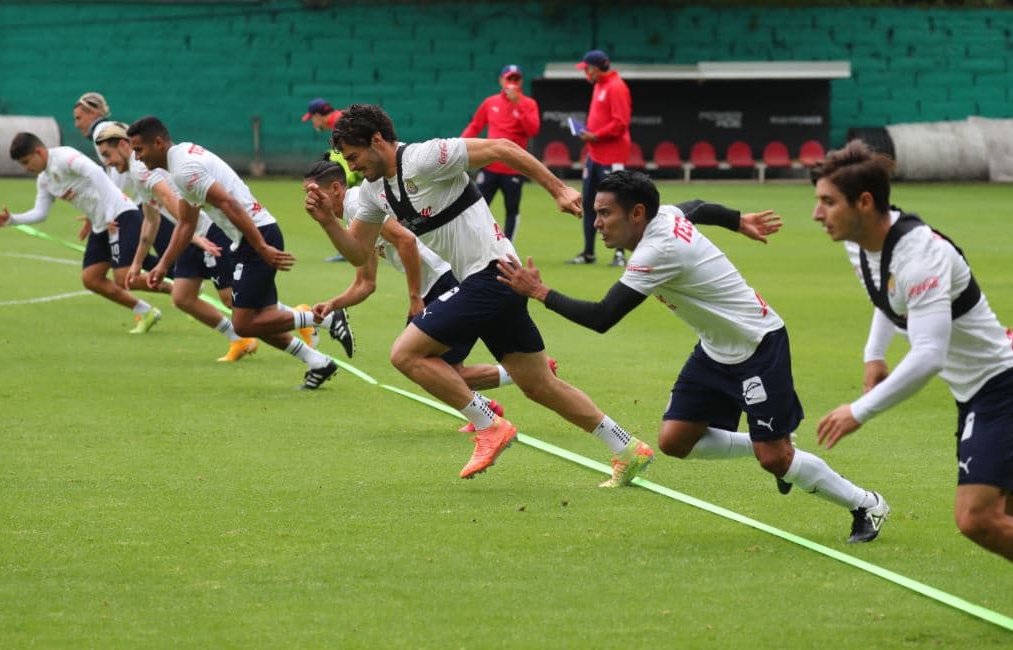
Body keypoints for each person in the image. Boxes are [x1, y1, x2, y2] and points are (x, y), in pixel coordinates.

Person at [811, 140, 1013, 639]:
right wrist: (874, 353)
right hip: (979, 390)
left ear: (864, 202)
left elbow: (929, 354)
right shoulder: (860, 243)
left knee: (975, 519)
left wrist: (859, 411)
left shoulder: (922, 256)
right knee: (1009, 517)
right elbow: (885, 296)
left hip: (1004, 386)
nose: (817, 213)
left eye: (827, 202)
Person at [498, 170, 890, 541]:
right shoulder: (663, 215)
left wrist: (539, 292)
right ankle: (767, 440)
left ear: (637, 214)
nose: (596, 223)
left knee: (775, 459)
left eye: (604, 213)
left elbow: (603, 317)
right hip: (715, 348)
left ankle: (866, 505)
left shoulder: (656, 250)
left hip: (758, 346)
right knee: (675, 440)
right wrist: (739, 221)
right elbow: (699, 207)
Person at [304, 104, 653, 486]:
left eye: (355, 158)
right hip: (498, 280)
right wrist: (326, 222)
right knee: (538, 385)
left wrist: (557, 188)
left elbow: (503, 147)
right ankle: (627, 448)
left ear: (377, 141)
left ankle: (489, 425)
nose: (353, 168)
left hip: (492, 273)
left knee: (405, 354)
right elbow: (358, 252)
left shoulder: (424, 158)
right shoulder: (372, 193)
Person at [302, 159, 558, 432]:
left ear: (337, 189)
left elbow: (406, 241)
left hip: (443, 279)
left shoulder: (357, 204)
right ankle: (494, 403)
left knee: (422, 363)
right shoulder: (356, 222)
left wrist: (414, 297)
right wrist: (333, 304)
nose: (309, 199)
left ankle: (502, 400)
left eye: (314, 191)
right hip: (434, 285)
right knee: (441, 368)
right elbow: (366, 283)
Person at [126, 116, 351, 389]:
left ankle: (325, 317)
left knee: (244, 323)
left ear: (158, 143)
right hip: (250, 238)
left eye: (139, 150)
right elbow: (186, 223)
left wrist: (261, 247)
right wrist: (163, 265)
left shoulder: (183, 169)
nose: (137, 158)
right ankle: (318, 362)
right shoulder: (179, 161)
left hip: (256, 235)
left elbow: (230, 204)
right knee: (258, 319)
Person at [94, 122, 258, 362]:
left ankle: (302, 317)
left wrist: (195, 237)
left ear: (123, 145)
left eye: (108, 155)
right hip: (191, 237)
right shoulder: (136, 172)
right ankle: (239, 339)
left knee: (231, 298)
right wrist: (138, 264)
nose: (107, 162)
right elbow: (151, 220)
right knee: (183, 297)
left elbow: (169, 197)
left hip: (206, 232)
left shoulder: (139, 169)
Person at [0, 132, 170, 333]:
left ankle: (180, 288)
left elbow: (96, 172)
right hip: (100, 225)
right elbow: (40, 213)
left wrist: (111, 212)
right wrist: (13, 219)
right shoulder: (44, 180)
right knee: (91, 279)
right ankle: (146, 311)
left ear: (39, 152)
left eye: (26, 161)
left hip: (121, 214)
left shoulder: (65, 157)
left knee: (123, 278)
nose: (26, 168)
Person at [460, 64, 541, 242]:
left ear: (520, 82)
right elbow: (476, 125)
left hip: (513, 169)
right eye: (509, 78)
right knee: (477, 206)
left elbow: (533, 130)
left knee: (511, 208)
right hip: (489, 166)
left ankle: (508, 248)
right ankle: (478, 242)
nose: (512, 83)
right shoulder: (491, 102)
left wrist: (518, 104)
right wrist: (460, 145)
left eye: (516, 79)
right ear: (501, 80)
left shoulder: (528, 104)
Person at [570, 49, 632, 267]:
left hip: (612, 155)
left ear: (595, 68)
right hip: (594, 155)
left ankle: (620, 254)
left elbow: (620, 123)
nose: (585, 73)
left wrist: (595, 135)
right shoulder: (599, 85)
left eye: (586, 68)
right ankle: (588, 253)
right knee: (588, 203)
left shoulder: (616, 87)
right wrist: (588, 133)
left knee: (616, 205)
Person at [303, 99, 360, 261]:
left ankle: (352, 243)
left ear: (317, 116)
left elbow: (347, 169)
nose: (313, 123)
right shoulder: (341, 119)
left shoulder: (339, 124)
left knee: (346, 200)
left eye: (311, 119)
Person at [71, 91, 122, 163]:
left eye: (79, 118)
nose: (76, 125)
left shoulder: (100, 132)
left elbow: (117, 167)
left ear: (93, 113)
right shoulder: (107, 128)